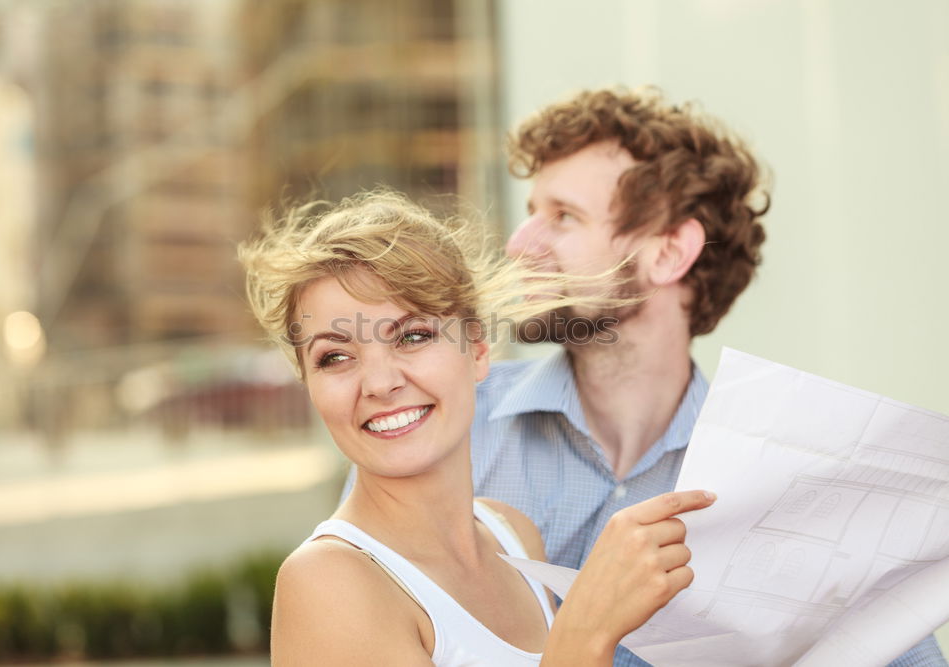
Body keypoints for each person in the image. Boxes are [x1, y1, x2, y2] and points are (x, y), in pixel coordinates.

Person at [471, 86, 948, 666]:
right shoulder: (453, 423)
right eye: (531, 213)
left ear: (670, 254)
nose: (519, 245)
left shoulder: (792, 483)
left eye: (563, 217)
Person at [240, 191, 717, 666]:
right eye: (336, 357)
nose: (381, 384)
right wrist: (589, 626)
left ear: (480, 350)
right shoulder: (328, 582)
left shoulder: (513, 535)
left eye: (413, 336)